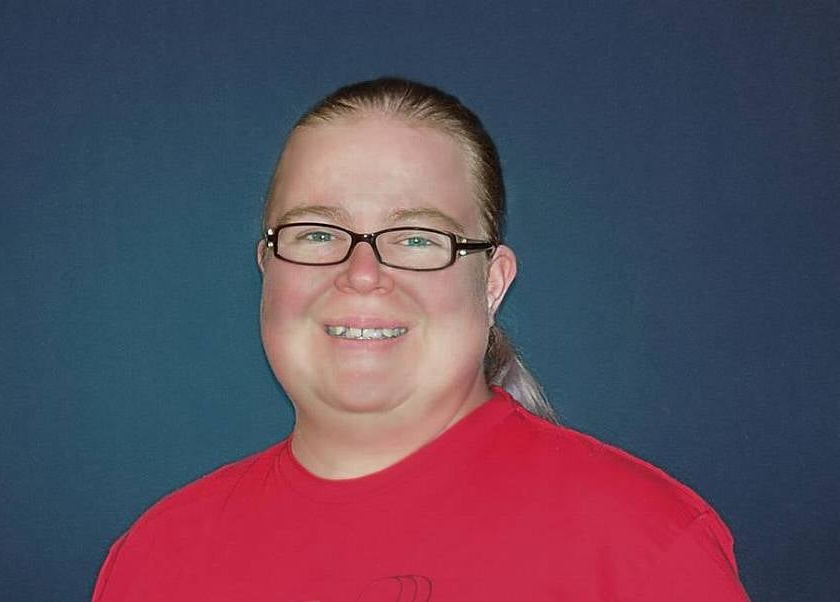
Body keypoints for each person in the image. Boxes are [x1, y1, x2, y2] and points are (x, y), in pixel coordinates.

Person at [92, 77, 750, 601]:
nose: (362, 274)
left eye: (418, 239)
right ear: (267, 266)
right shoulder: (157, 555)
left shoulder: (640, 542)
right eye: (317, 232)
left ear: (492, 283)